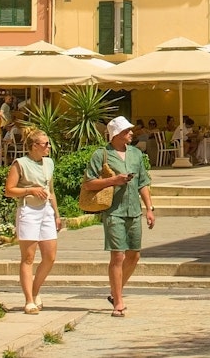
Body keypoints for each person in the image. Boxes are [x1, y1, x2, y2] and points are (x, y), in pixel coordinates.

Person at [82, 116, 154, 318]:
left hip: (134, 210)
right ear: (116, 135)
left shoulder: (136, 154)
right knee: (118, 255)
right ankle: (119, 302)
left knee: (134, 255)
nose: (131, 133)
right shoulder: (102, 154)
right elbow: (88, 183)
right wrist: (114, 180)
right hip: (114, 211)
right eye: (127, 131)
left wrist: (149, 208)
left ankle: (115, 291)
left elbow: (143, 182)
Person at [4, 128, 62, 314]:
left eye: (48, 144)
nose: (48, 147)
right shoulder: (20, 163)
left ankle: (35, 291)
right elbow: (9, 190)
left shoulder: (49, 163)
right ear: (34, 146)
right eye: (45, 144)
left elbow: (50, 189)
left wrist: (56, 213)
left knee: (50, 256)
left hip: (45, 209)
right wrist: (29, 190)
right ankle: (29, 300)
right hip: (28, 209)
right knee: (28, 257)